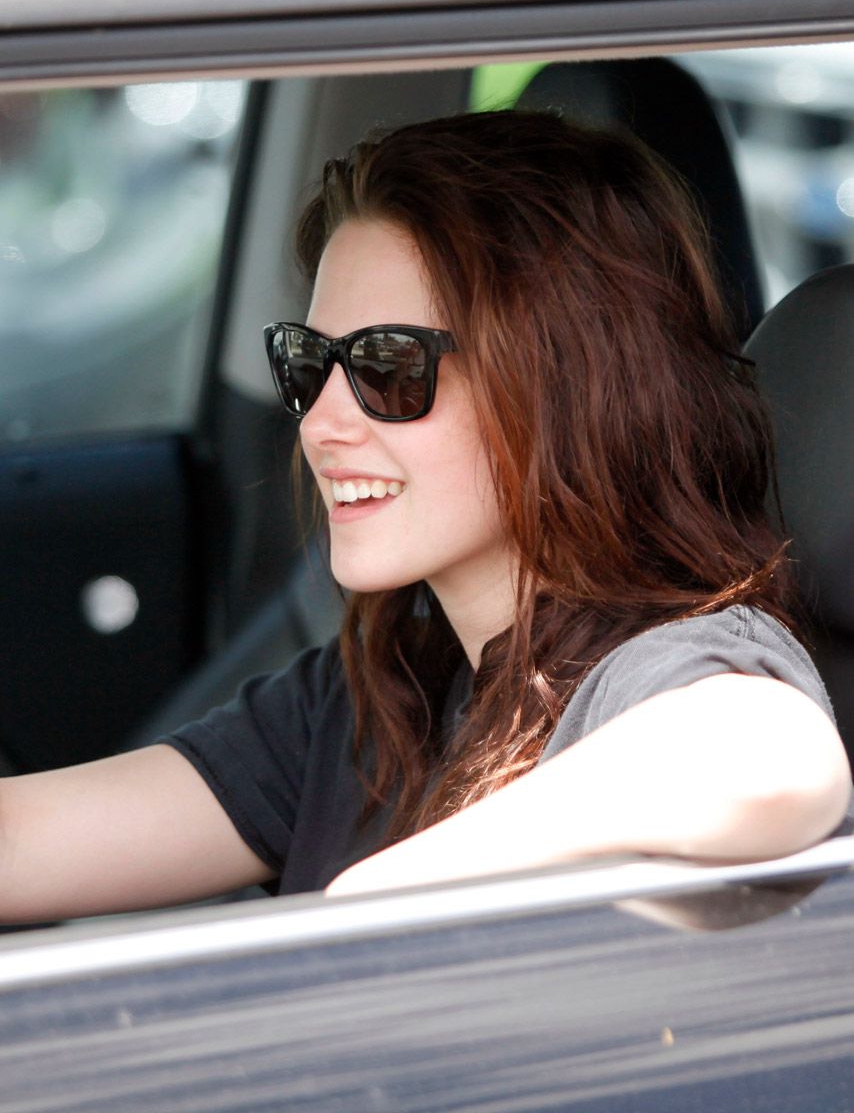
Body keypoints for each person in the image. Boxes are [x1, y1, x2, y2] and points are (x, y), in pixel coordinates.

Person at [1, 110, 850, 923]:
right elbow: (26, 844)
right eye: (309, 363)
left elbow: (772, 759)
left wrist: (377, 910)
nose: (322, 422)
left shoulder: (659, 669)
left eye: (388, 366)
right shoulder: (381, 696)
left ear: (563, 395)